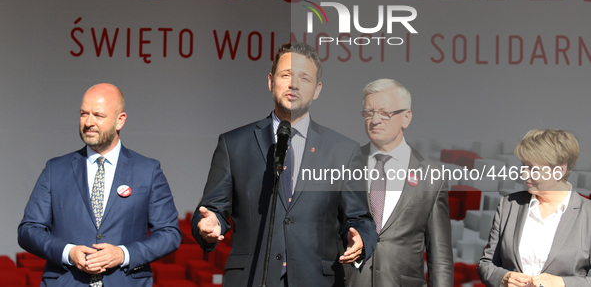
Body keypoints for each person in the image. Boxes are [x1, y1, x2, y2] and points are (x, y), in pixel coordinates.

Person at [192, 42, 377, 287]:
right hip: (251, 279)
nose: (293, 84)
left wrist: (361, 238)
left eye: (304, 78)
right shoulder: (234, 144)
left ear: (317, 89)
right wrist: (209, 223)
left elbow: (359, 219)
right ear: (271, 82)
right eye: (286, 75)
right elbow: (212, 208)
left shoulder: (343, 151)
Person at [18, 83, 181, 286]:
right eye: (83, 114)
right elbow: (29, 230)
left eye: (98, 115)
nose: (88, 122)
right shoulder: (55, 170)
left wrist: (123, 254)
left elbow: (169, 233)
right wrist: (69, 252)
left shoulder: (147, 171)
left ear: (120, 120)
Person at [346, 78, 453, 287]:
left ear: (406, 117)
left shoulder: (432, 176)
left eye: (385, 113)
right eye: (369, 112)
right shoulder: (346, 164)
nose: (375, 120)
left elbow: (440, 256)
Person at [478, 129, 591, 287]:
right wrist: (503, 278)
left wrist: (563, 283)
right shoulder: (508, 205)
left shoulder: (588, 215)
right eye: (524, 166)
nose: (524, 174)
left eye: (533, 169)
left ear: (560, 170)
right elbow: (486, 265)